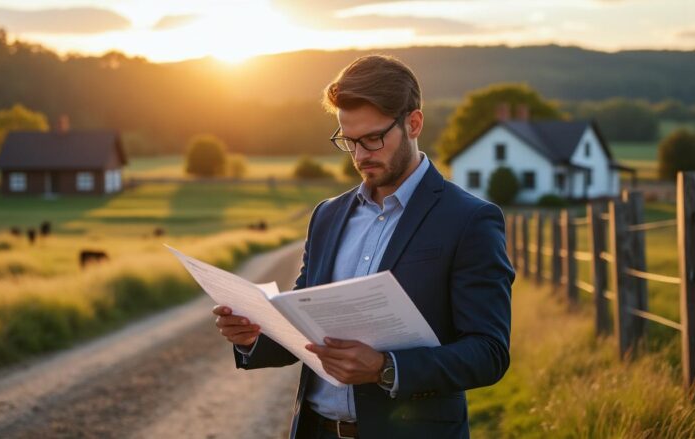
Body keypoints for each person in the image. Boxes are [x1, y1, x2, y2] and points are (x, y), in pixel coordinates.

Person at [213, 55, 514, 439]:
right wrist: (255, 336)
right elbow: (306, 328)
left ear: (414, 123)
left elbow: (489, 353)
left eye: (373, 138)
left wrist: (385, 368)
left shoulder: (470, 219)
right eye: (348, 141)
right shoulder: (327, 215)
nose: (359, 155)